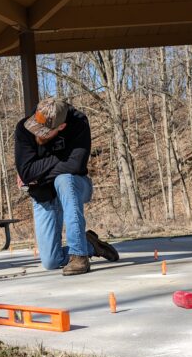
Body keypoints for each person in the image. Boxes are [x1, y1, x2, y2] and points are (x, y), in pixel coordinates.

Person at [14, 96, 120, 275]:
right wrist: (63, 157)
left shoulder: (78, 123)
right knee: (51, 261)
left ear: (61, 127)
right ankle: (90, 245)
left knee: (64, 179)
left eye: (44, 132)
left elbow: (77, 166)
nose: (37, 134)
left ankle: (79, 255)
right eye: (36, 128)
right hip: (43, 194)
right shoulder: (24, 128)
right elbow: (27, 172)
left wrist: (39, 174)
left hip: (76, 185)